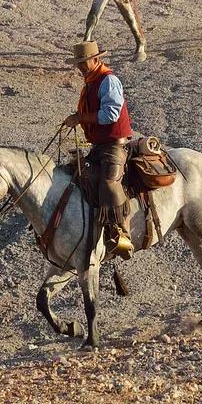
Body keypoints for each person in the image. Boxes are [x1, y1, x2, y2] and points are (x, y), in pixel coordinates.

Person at [60, 39, 135, 259]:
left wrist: (81, 117)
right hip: (99, 145)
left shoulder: (108, 81)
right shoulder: (91, 82)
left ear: (96, 59)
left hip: (114, 144)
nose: (81, 67)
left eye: (84, 62)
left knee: (109, 182)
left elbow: (111, 114)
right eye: (79, 63)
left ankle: (123, 234)